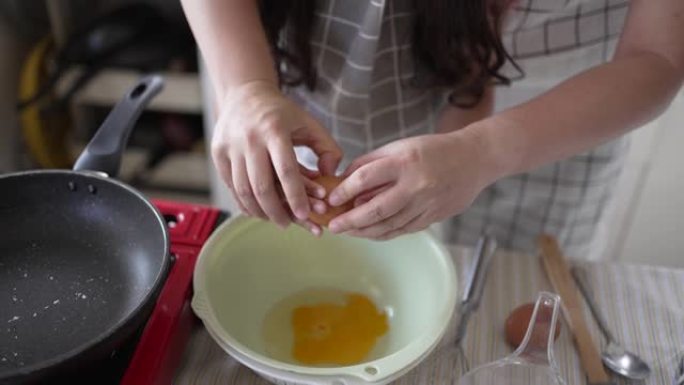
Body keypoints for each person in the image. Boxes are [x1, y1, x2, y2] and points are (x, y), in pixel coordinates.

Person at [181, 0, 684, 256]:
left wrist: (484, 150)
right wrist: (246, 86)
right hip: (312, 77)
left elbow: (658, 56)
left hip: (560, 111)